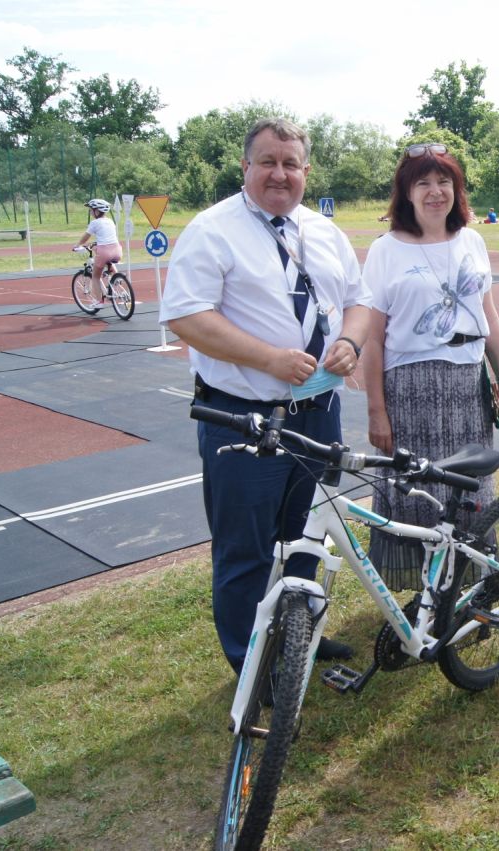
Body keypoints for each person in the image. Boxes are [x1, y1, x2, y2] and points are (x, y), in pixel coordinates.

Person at [159, 117, 372, 673]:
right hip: (244, 419)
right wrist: (269, 359)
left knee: (305, 538)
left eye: (291, 164)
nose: (280, 173)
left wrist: (350, 339)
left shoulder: (324, 231)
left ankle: (300, 635)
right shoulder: (212, 230)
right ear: (245, 168)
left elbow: (360, 300)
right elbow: (186, 316)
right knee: (245, 550)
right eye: (268, 162)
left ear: (306, 170)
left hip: (318, 413)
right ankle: (251, 666)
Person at [362, 143, 499, 589]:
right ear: (406, 193)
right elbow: (372, 338)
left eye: (444, 181)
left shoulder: (473, 240)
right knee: (415, 492)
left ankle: (472, 581)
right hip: (409, 390)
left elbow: (489, 317)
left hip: (468, 385)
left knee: (470, 490)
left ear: (456, 188)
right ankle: (417, 588)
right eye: (422, 182)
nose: (435, 191)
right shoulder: (385, 249)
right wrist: (376, 409)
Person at [72, 199, 121, 307]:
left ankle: (99, 301)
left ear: (97, 211)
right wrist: (95, 244)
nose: (90, 212)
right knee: (109, 261)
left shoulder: (94, 223)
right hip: (117, 250)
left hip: (104, 251)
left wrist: (78, 245)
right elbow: (106, 237)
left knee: (95, 276)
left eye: (91, 210)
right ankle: (116, 277)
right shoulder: (110, 221)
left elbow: (86, 236)